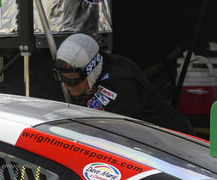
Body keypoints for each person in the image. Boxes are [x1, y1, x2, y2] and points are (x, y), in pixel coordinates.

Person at [53, 33, 195, 135]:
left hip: (171, 139)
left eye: (73, 80)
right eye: (63, 78)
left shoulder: (120, 82)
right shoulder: (99, 63)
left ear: (90, 69)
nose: (67, 85)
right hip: (141, 140)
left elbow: (86, 125)